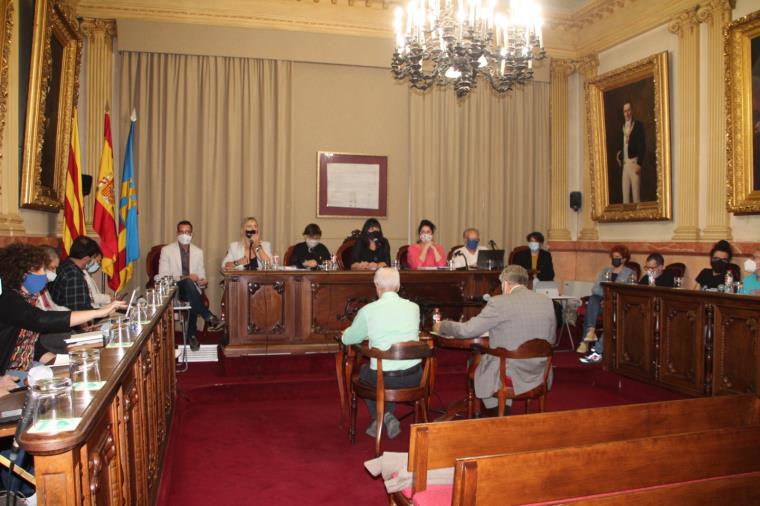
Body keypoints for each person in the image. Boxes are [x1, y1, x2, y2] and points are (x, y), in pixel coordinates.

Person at [433, 265, 556, 415]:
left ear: (505, 283)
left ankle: (493, 411)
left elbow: (467, 330)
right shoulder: (546, 301)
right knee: (501, 356)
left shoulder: (499, 302)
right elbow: (551, 339)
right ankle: (501, 408)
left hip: (510, 374)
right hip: (539, 373)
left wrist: (443, 325)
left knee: (476, 362)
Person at [0, 244, 125, 382]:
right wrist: (97, 313)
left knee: (80, 371)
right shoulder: (8, 299)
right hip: (8, 374)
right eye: (42, 270)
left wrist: (59, 362)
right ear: (24, 273)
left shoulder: (29, 297)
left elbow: (30, 344)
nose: (45, 275)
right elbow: (41, 320)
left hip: (28, 367)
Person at [341, 268, 421, 439]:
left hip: (384, 379)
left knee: (364, 372)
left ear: (377, 286)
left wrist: (349, 331)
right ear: (398, 286)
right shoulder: (414, 308)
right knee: (378, 372)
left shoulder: (368, 311)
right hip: (415, 377)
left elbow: (348, 339)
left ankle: (383, 416)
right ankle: (386, 416)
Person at [159, 220, 222, 351]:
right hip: (174, 289)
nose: (184, 235)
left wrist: (202, 280)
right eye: (182, 232)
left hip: (191, 289)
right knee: (189, 285)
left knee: (192, 292)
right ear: (177, 234)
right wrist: (185, 277)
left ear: (191, 234)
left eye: (187, 232)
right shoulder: (167, 251)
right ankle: (206, 318)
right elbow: (163, 276)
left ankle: (192, 335)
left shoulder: (198, 252)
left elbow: (201, 275)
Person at [576, 245, 635, 361]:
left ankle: (587, 340)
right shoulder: (605, 271)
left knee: (594, 304)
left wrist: (608, 300)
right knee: (593, 299)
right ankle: (591, 330)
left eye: (617, 257)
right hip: (600, 302)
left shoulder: (630, 273)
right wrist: (604, 298)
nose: (614, 259)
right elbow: (596, 289)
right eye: (613, 257)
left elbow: (627, 292)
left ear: (624, 259)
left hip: (616, 305)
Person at [48, 236, 102, 310]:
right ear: (86, 259)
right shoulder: (74, 276)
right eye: (94, 258)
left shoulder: (62, 266)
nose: (94, 261)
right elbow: (79, 311)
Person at [616, 101, 645, 204]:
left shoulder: (638, 125)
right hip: (625, 166)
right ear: (623, 113)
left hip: (634, 164)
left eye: (628, 110)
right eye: (625, 111)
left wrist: (639, 164)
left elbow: (642, 146)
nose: (627, 113)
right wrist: (619, 156)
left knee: (636, 198)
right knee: (625, 200)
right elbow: (623, 146)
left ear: (631, 111)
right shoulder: (622, 127)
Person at [36, 246, 68, 311]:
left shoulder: (44, 286)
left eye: (56, 268)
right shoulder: (31, 288)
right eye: (52, 268)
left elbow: (51, 306)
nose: (54, 273)